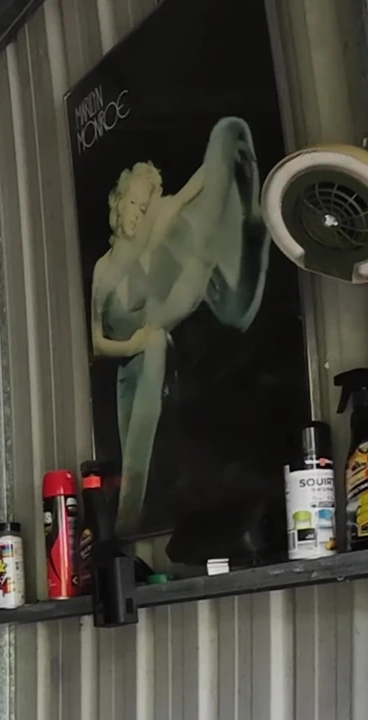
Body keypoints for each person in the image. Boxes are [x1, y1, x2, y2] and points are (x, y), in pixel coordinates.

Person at [89, 114, 271, 536]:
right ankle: (130, 520)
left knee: (160, 337)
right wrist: (133, 342)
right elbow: (97, 343)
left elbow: (198, 183)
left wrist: (230, 151)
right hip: (127, 364)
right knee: (137, 457)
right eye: (134, 203)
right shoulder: (104, 270)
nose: (140, 211)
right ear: (119, 204)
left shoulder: (161, 227)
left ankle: (248, 235)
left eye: (146, 203)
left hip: (157, 338)